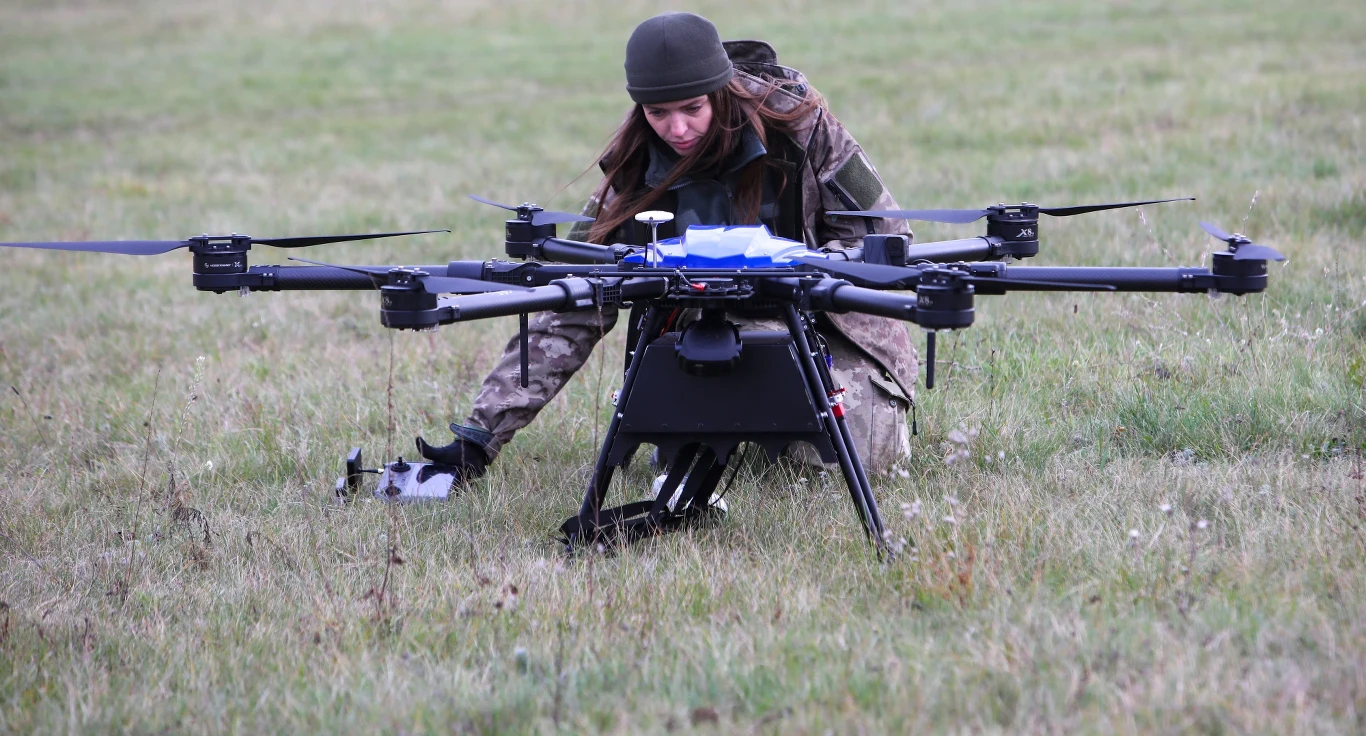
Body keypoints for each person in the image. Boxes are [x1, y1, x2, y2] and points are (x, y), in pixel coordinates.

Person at [417, 11, 918, 484]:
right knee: (685, 449)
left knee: (854, 461)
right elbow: (575, 294)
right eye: (658, 113)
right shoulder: (634, 163)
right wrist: (480, 438)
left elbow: (886, 238)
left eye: (693, 108)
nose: (677, 130)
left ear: (720, 92)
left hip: (824, 325)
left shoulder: (800, 126)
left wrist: (802, 275)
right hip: (705, 329)